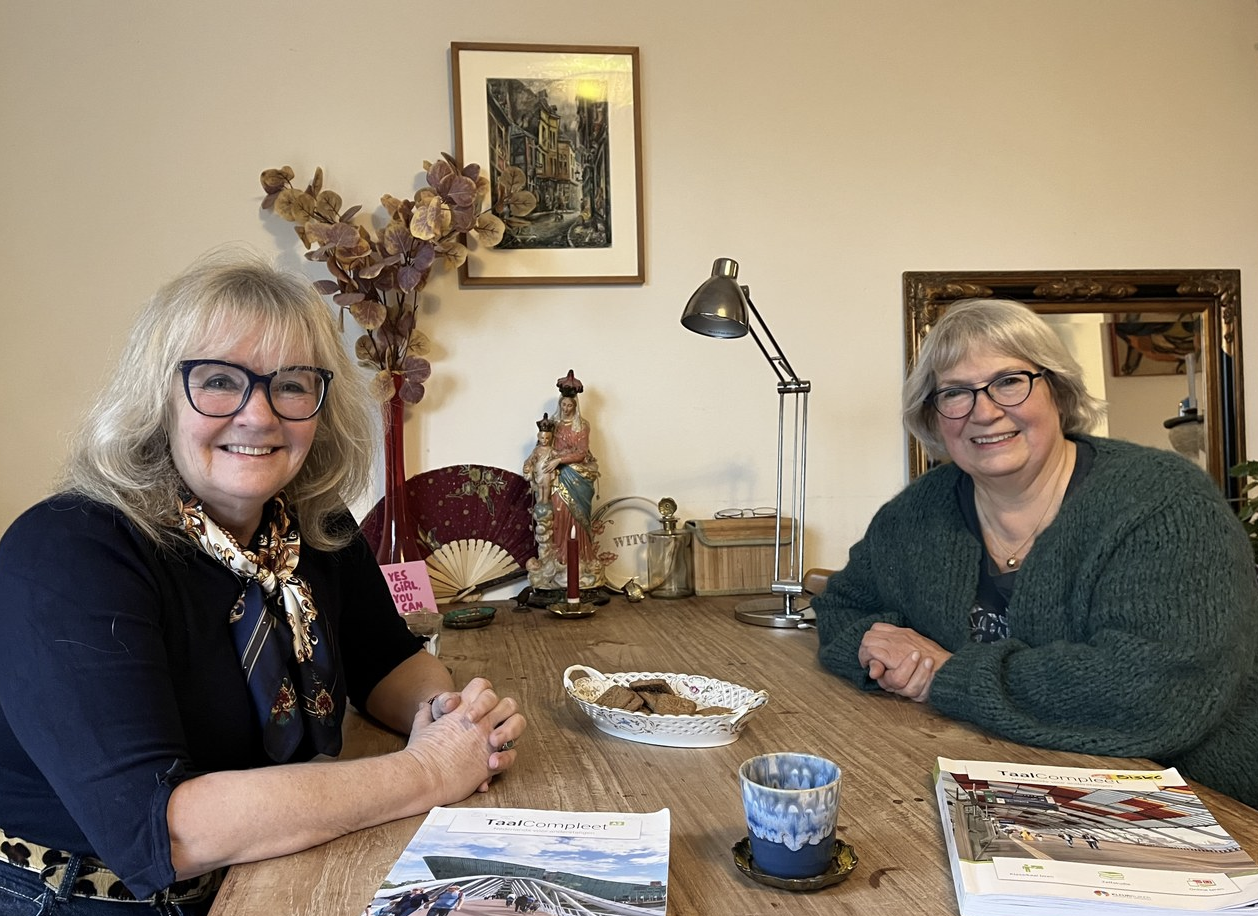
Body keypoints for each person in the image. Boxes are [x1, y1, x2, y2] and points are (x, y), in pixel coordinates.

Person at [0, 252, 526, 915]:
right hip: (86, 896)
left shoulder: (313, 523)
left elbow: (386, 661)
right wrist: (428, 770)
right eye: (219, 381)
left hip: (265, 862)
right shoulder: (69, 550)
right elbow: (169, 830)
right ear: (157, 397)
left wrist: (446, 715)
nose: (259, 415)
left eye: (292, 385)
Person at [813, 298, 1258, 808]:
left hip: (1193, 797)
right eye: (955, 392)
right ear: (933, 417)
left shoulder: (1164, 502)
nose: (984, 411)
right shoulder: (916, 512)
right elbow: (843, 605)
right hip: (993, 780)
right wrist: (887, 649)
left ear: (1058, 391)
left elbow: (1155, 689)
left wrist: (945, 675)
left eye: (1009, 381)